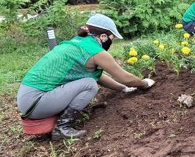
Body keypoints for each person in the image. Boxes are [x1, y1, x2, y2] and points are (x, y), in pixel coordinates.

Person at [17, 13, 155, 140]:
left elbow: (98, 77)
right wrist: (143, 84)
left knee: (88, 82)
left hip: (28, 99)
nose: (111, 43)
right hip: (36, 102)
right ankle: (62, 127)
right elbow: (125, 77)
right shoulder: (95, 51)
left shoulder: (77, 43)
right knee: (89, 85)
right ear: (103, 36)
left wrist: (123, 89)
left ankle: (60, 120)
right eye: (112, 38)